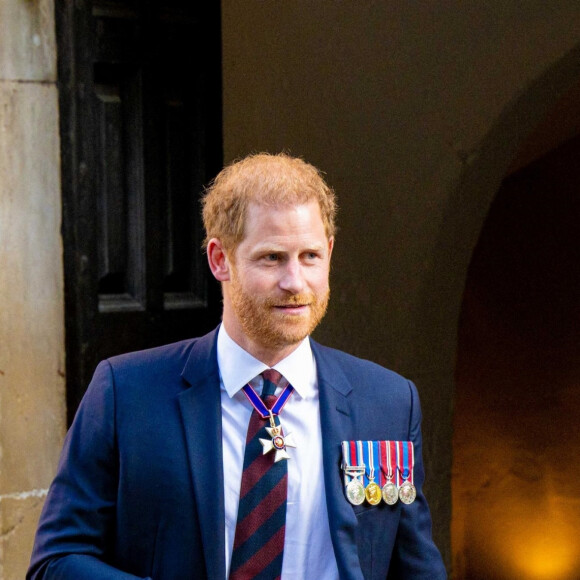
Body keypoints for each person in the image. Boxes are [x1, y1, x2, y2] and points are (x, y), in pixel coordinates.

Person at [28, 153, 446, 579]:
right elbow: (56, 562)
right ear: (219, 259)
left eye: (310, 256)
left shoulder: (390, 402)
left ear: (330, 252)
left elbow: (415, 568)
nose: (295, 282)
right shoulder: (127, 393)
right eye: (272, 258)